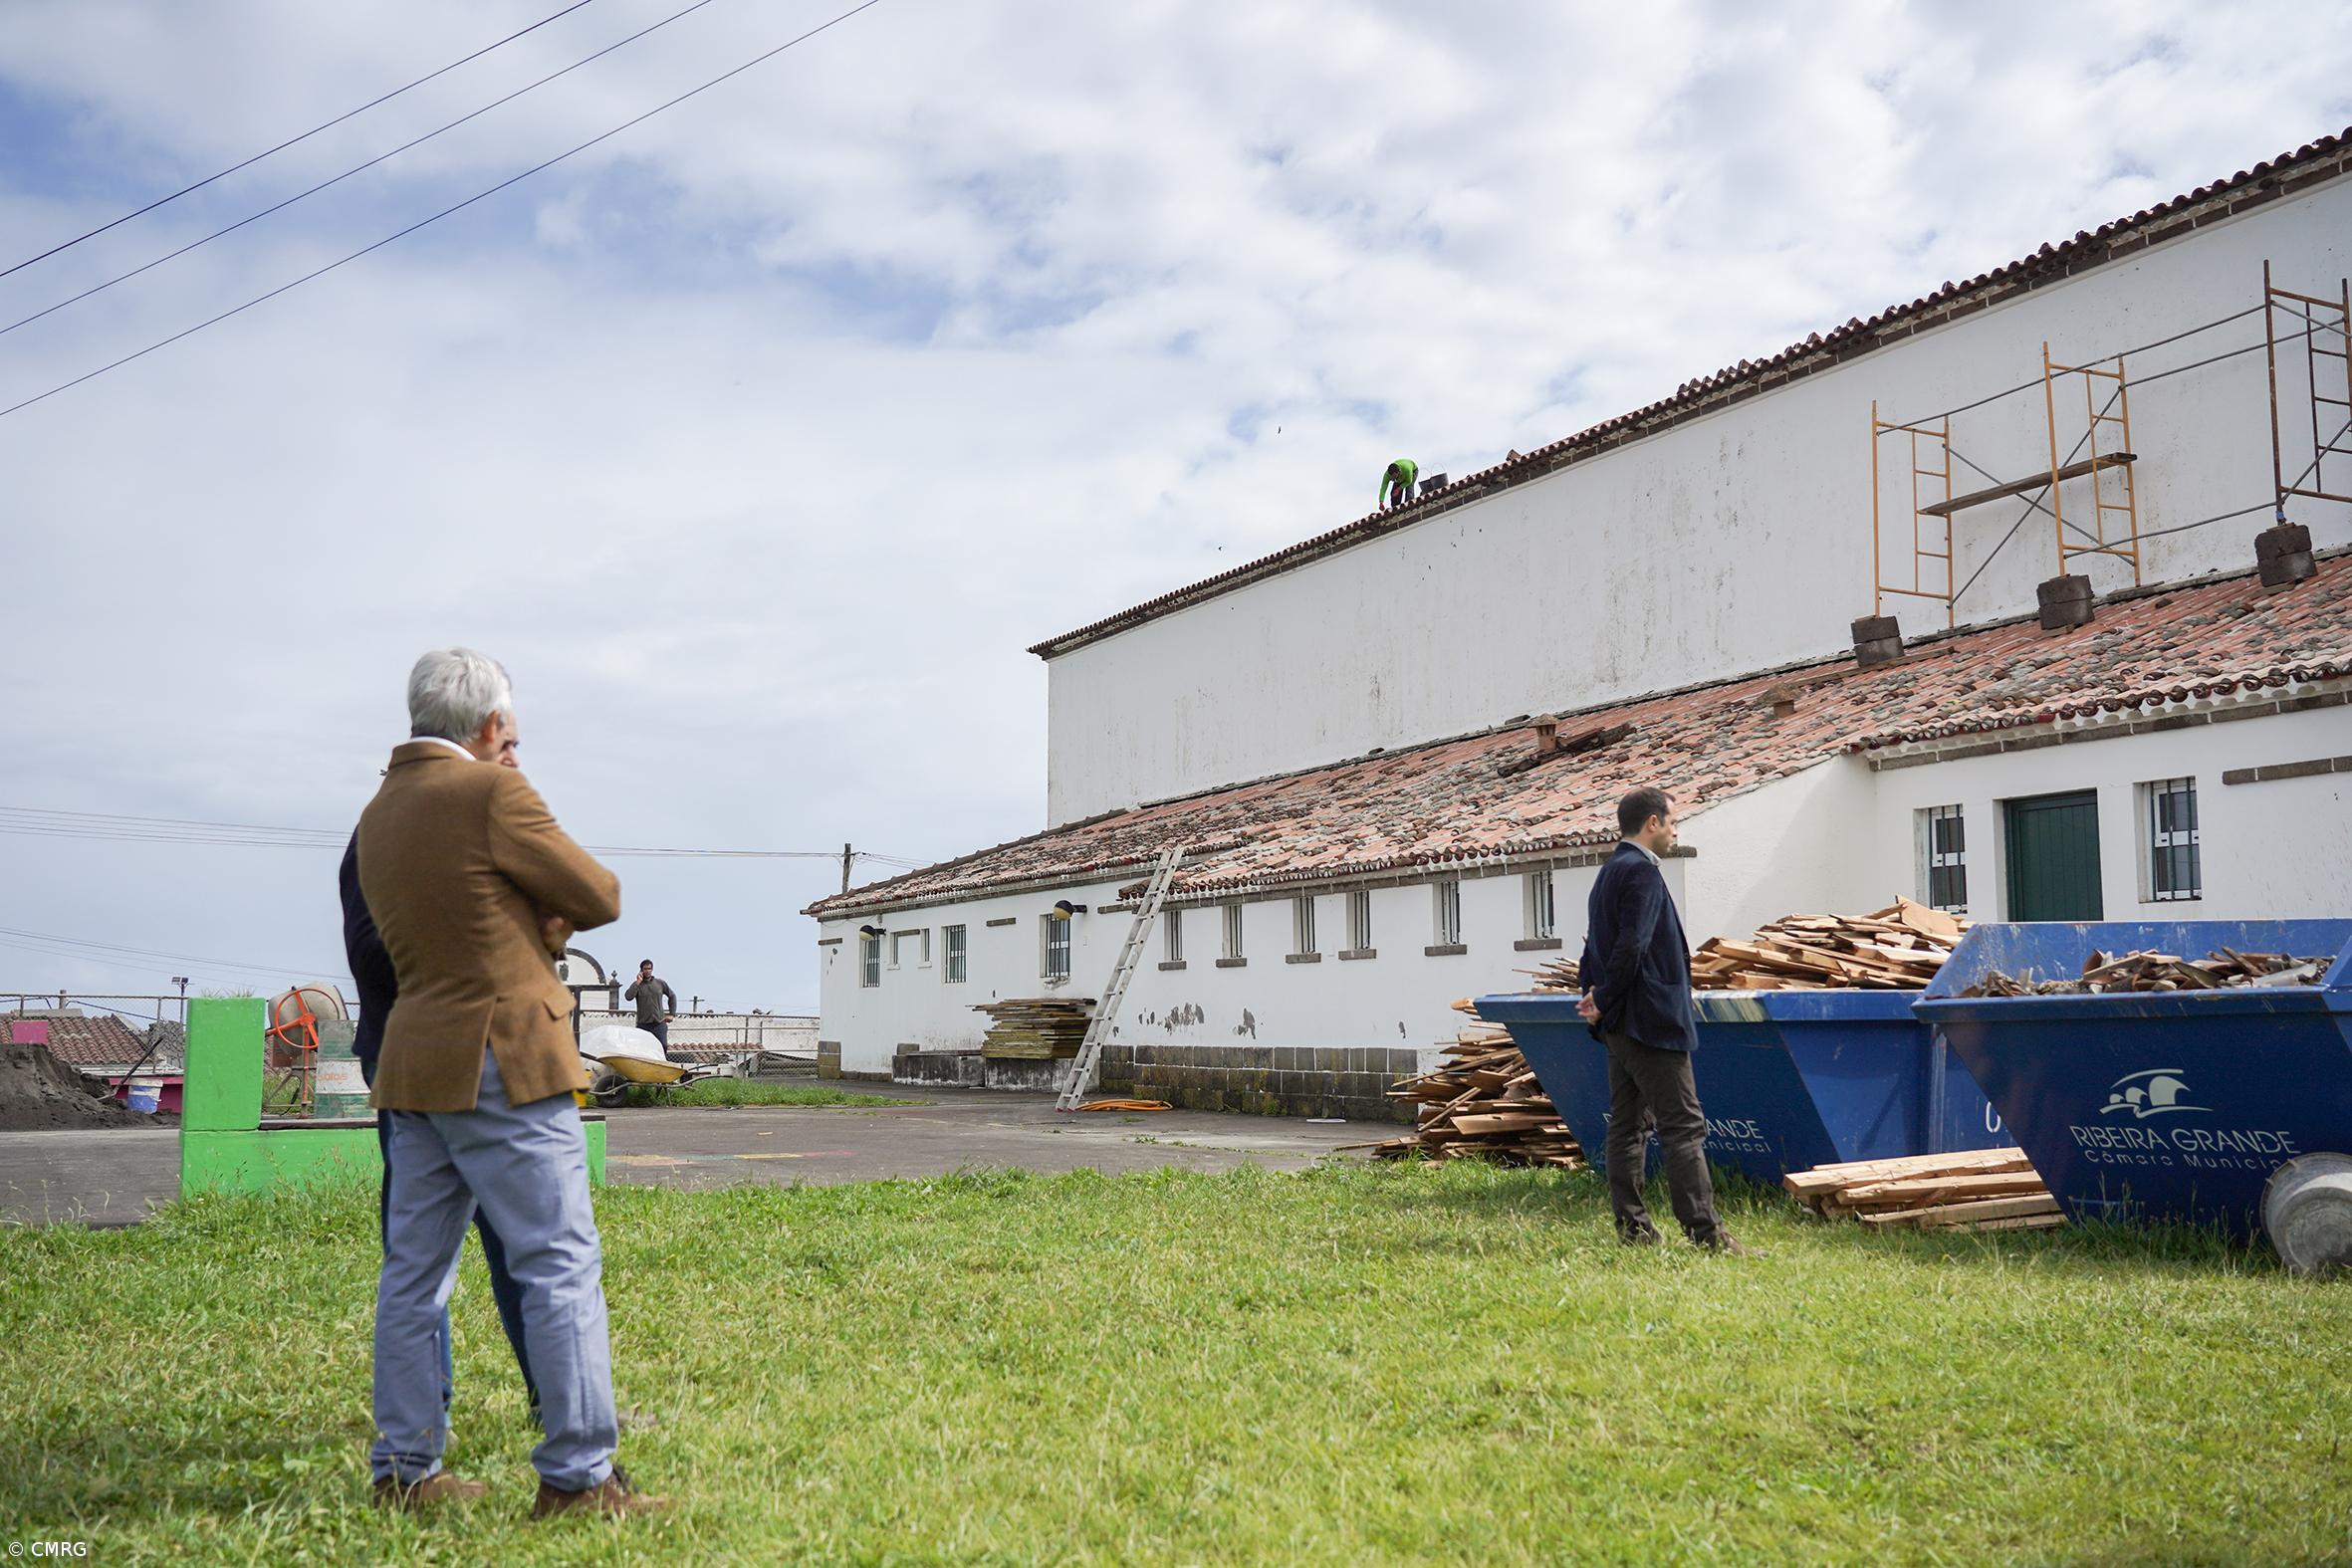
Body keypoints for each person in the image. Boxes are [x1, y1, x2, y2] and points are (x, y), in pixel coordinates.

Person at [359, 647, 666, 1517]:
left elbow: (457, 920)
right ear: (491, 724)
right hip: (506, 1056)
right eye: (512, 735)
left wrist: (528, 919)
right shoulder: (492, 793)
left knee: (414, 1276)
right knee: (558, 1262)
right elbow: (599, 892)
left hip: (415, 1060)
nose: (515, 749)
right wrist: (546, 917)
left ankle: (403, 1470)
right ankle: (579, 1478)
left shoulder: (379, 812)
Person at [341, 822, 540, 1431]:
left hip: (493, 1059)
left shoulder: (479, 830)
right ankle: (422, 1423)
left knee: (521, 1237)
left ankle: (556, 1401)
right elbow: (372, 958)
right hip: (417, 1065)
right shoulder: (384, 834)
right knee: (420, 1248)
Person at [1576, 786, 1755, 1255]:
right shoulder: (1642, 872)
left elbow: (1594, 946)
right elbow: (1631, 946)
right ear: (1652, 822)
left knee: (1627, 1126)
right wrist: (1603, 996)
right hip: (1651, 1022)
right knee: (1683, 1127)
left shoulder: (1609, 871)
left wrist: (1594, 996)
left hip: (1620, 1024)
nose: (1676, 830)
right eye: (1673, 821)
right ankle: (1707, 1235)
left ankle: (1634, 1230)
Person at [623, 961, 678, 1057]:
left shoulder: (660, 983)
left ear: (652, 969)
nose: (647, 971)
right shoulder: (637, 985)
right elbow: (628, 997)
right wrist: (637, 982)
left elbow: (672, 996)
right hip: (643, 1025)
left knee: (663, 1047)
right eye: (645, 969)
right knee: (643, 1051)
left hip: (659, 1023)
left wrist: (672, 1014)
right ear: (641, 970)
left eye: (649, 969)